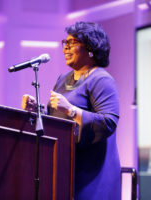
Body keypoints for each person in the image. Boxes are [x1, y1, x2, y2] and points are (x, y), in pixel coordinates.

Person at [22, 21, 121, 199]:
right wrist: (38, 110)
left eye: (72, 42)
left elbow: (108, 122)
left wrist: (71, 110)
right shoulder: (63, 79)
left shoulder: (101, 80)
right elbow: (57, 122)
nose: (65, 48)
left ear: (91, 48)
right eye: (65, 43)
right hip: (64, 167)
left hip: (92, 173)